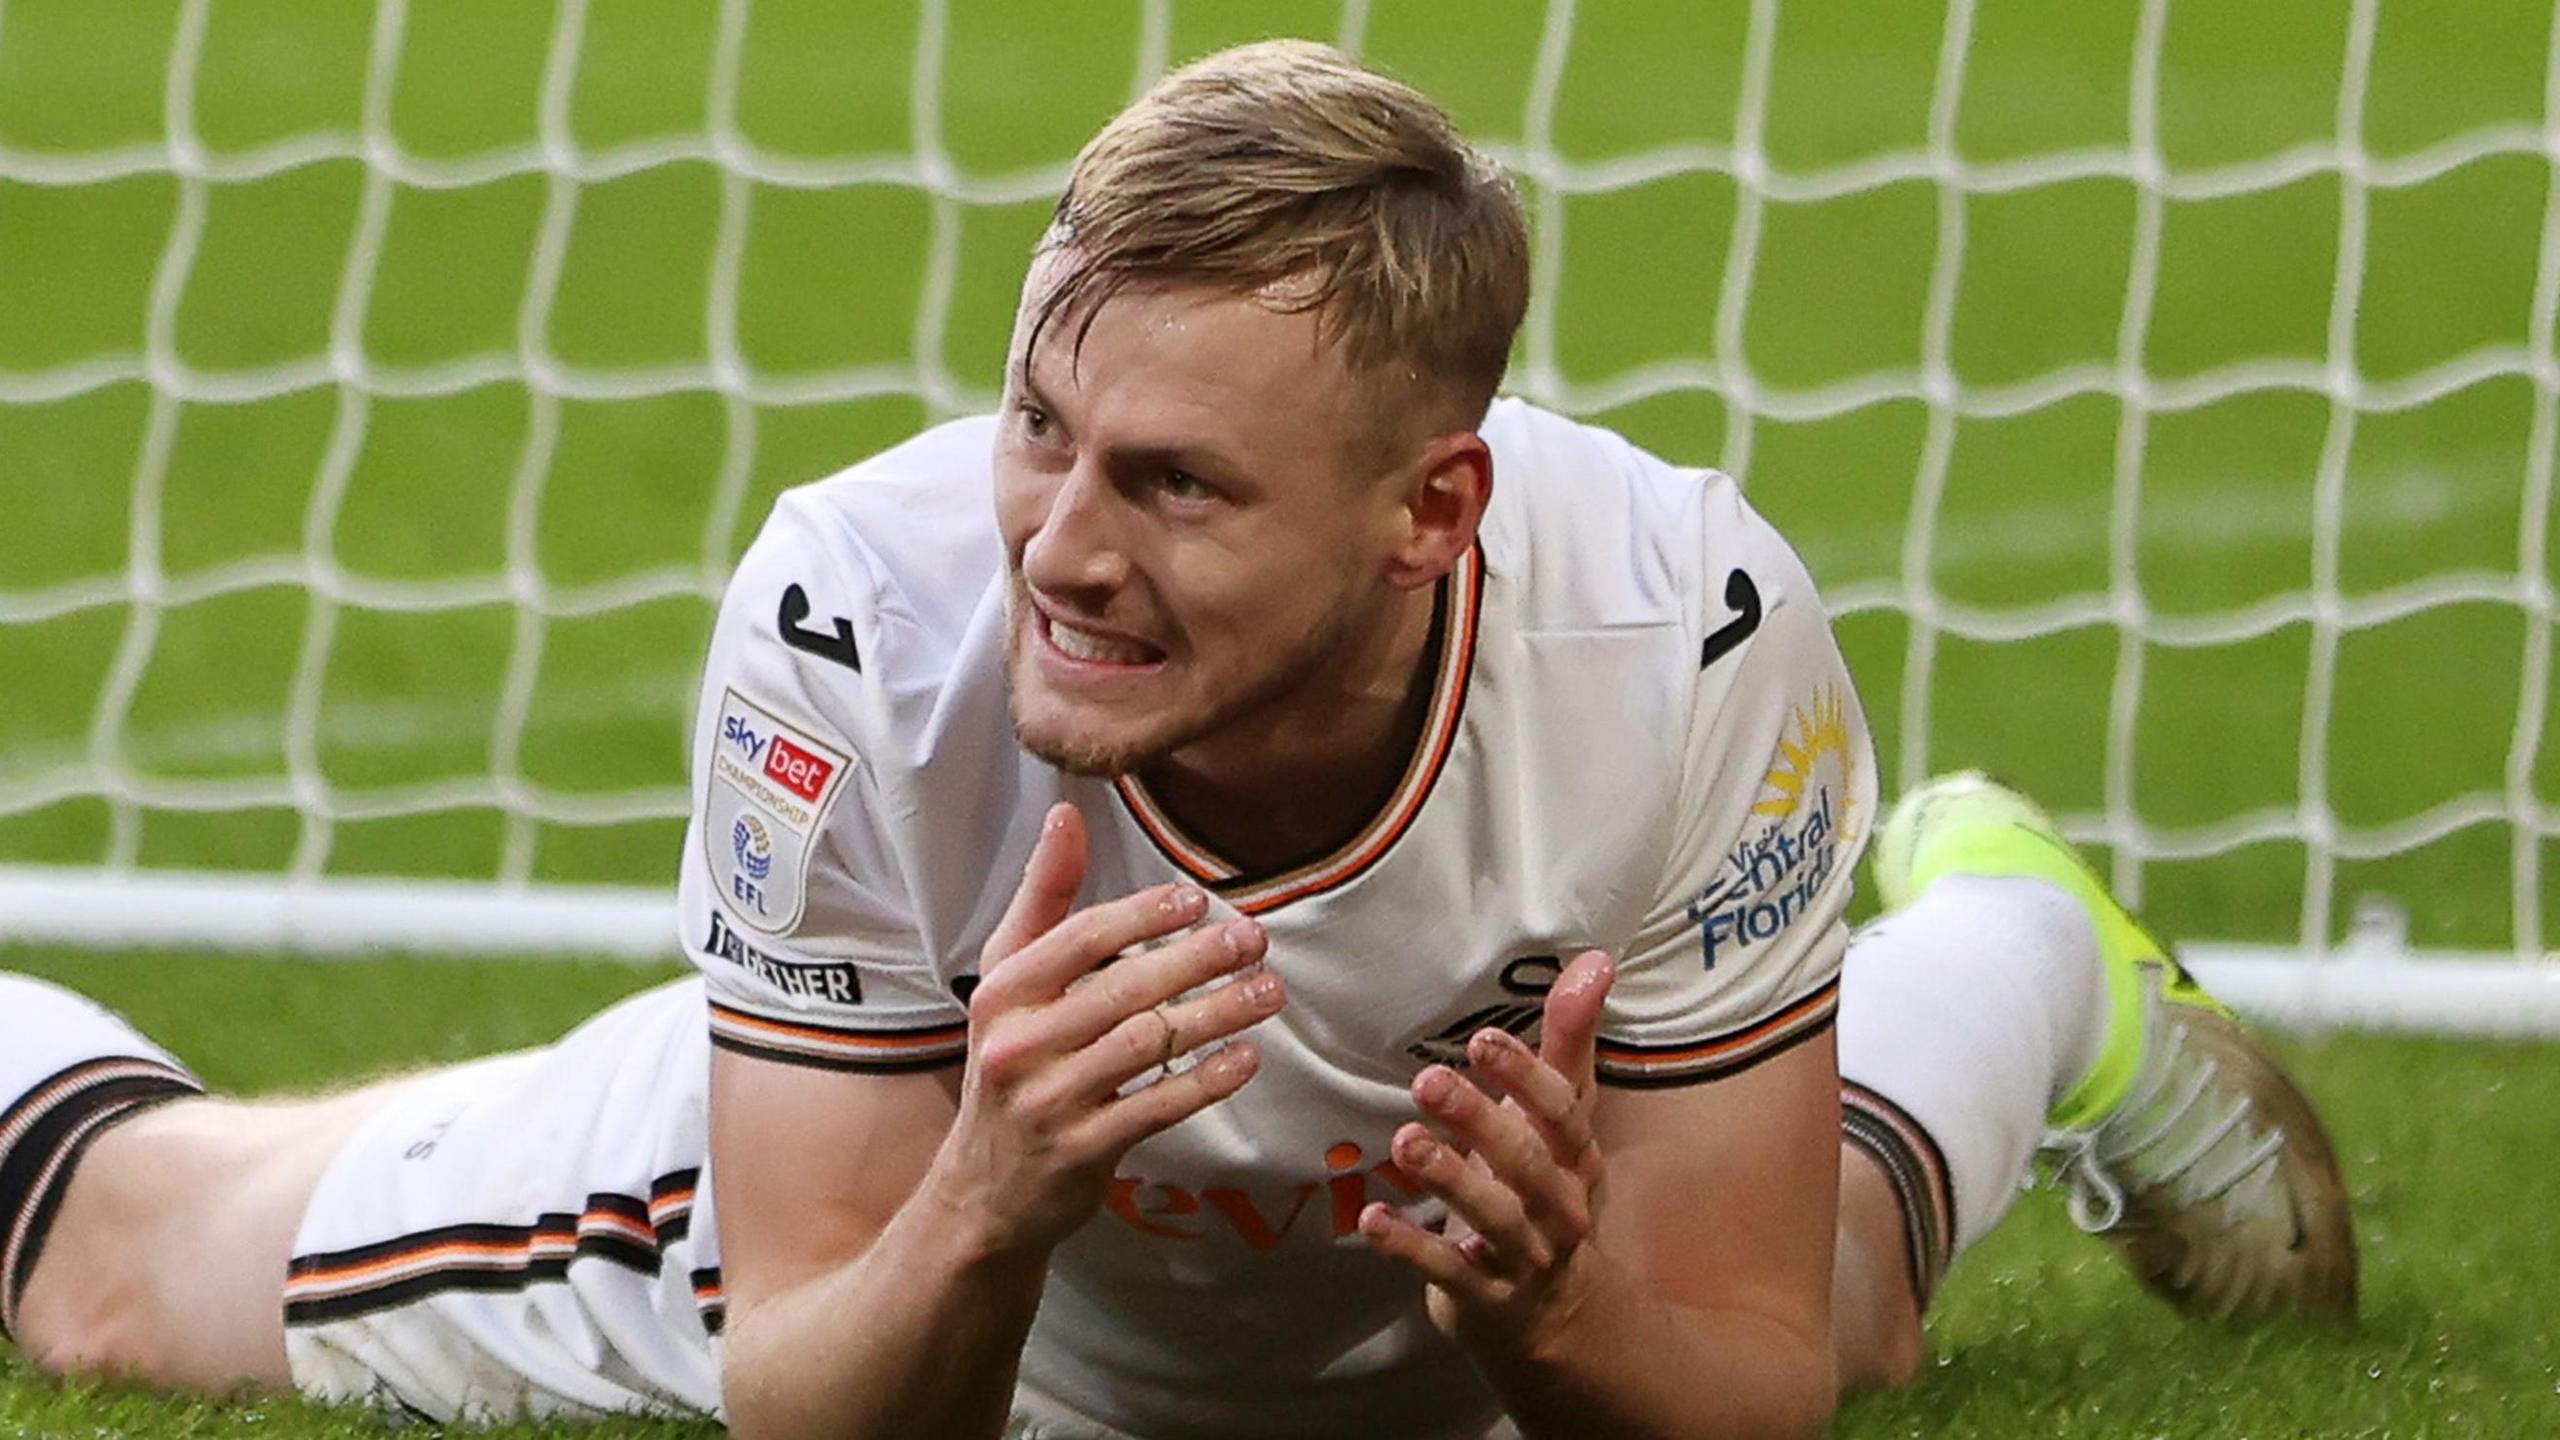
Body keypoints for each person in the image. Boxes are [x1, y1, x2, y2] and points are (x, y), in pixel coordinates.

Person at [0, 39, 2353, 1440]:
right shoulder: (856, 618)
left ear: (1433, 508)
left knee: (1818, 1323)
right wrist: (981, 1192)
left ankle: (2019, 944)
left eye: (1176, 485)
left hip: (1463, 1312)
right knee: (108, 1275)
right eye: (1039, 426)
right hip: (933, 1218)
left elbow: (1722, 1386)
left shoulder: (1686, 632)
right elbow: (815, 1398)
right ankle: (2019, 951)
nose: (1057, 544)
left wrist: (1553, 1307)